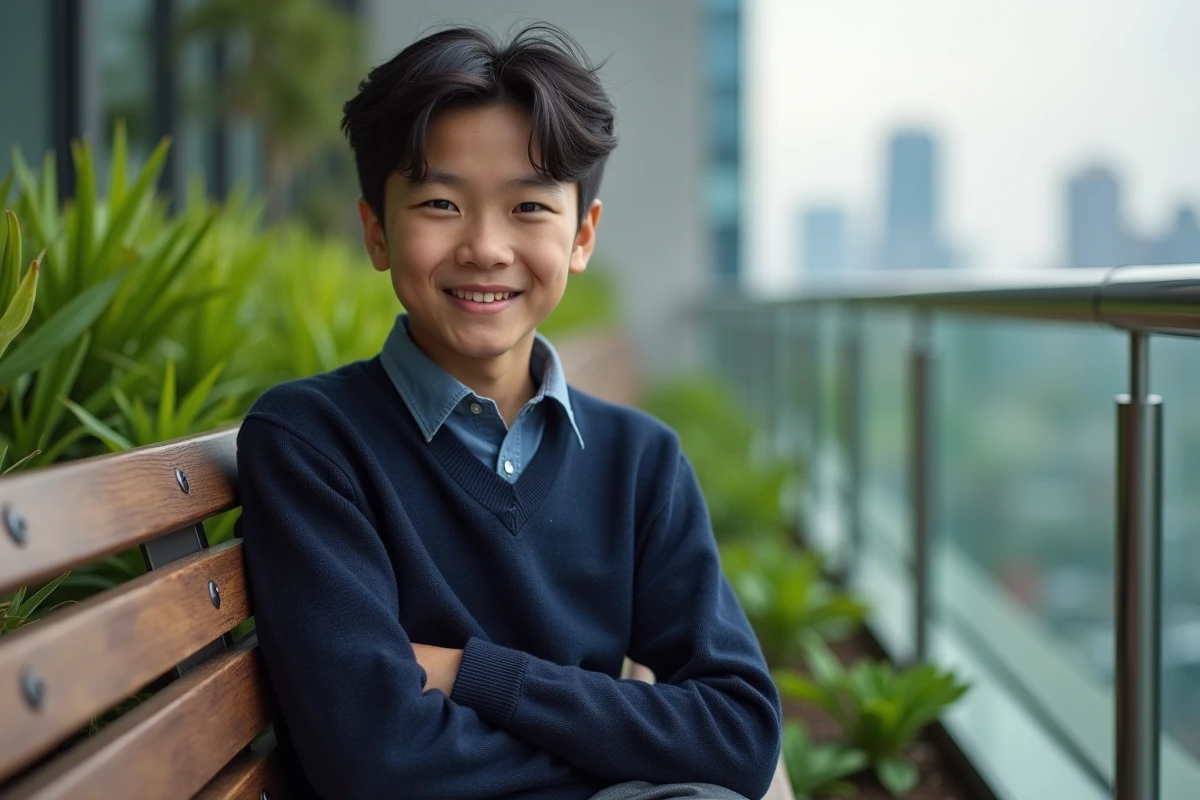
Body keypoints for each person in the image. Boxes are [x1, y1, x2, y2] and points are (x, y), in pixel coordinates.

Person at [236, 23, 782, 800]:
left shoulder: (641, 460)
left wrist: (472, 672)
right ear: (375, 231)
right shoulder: (313, 445)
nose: (486, 247)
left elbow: (739, 734)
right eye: (439, 202)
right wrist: (633, 749)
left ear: (581, 236)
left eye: (529, 206)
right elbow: (376, 761)